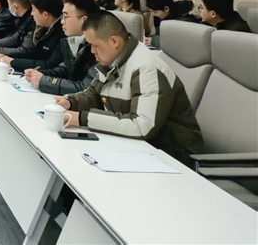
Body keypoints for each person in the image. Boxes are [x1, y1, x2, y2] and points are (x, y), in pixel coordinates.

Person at [54, 12, 203, 167]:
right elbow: (94, 94)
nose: (92, 51)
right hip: (135, 147)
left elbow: (141, 126)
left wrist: (81, 118)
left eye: (95, 45)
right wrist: (70, 103)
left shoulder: (146, 68)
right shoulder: (113, 59)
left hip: (172, 156)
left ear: (114, 41)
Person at [24, 0, 100, 95]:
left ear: (84, 20)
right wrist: (40, 74)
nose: (62, 21)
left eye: (66, 17)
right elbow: (65, 69)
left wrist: (43, 81)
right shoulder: (75, 41)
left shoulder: (98, 47)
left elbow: (85, 88)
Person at [0, 0, 65, 70]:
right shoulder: (42, 28)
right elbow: (34, 56)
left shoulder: (62, 34)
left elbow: (49, 65)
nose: (32, 13)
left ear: (45, 15)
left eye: (33, 10)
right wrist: (8, 58)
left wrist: (12, 61)